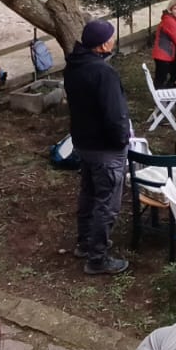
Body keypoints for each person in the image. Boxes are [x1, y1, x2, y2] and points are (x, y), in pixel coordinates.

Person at [62, 19, 132, 275]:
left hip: (84, 142)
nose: (113, 40)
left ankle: (84, 242)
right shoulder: (103, 73)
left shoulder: (74, 66)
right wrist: (122, 139)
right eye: (111, 37)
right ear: (103, 44)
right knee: (106, 203)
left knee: (89, 194)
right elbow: (114, 114)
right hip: (105, 148)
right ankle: (97, 258)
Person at [150, 0, 176, 88]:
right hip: (162, 54)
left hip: (171, 54)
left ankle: (168, 93)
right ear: (170, 10)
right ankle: (159, 97)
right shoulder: (168, 21)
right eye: (175, 9)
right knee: (161, 78)